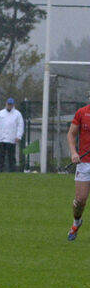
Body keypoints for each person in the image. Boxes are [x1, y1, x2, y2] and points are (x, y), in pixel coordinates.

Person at [66, 101, 90, 240]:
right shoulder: (82, 112)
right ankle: (76, 223)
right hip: (84, 163)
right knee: (80, 200)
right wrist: (74, 153)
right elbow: (71, 134)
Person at [0, 97, 24, 172]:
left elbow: (20, 125)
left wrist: (18, 136)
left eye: (11, 104)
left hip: (11, 139)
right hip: (1, 139)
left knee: (11, 157)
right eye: (8, 104)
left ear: (13, 105)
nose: (9, 106)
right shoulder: (0, 113)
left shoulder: (17, 114)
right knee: (0, 156)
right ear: (6, 104)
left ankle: (12, 170)